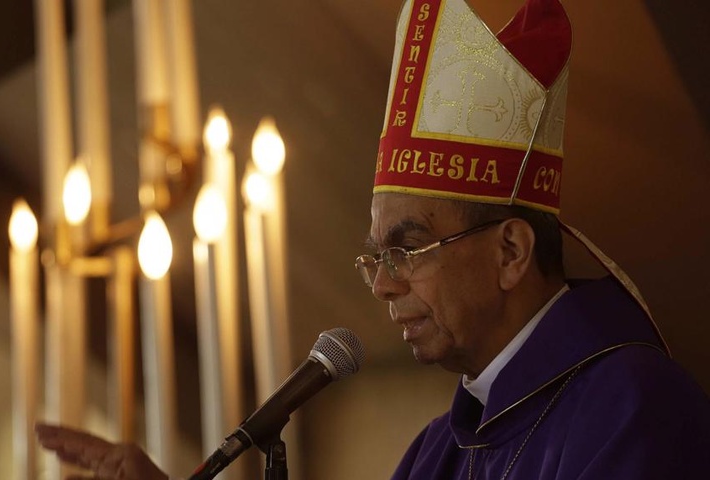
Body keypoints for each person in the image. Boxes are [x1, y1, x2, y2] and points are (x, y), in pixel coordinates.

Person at [37, 0, 710, 478]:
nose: (383, 284)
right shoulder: (435, 455)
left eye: (406, 249)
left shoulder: (635, 410)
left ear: (511, 252)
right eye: (374, 256)